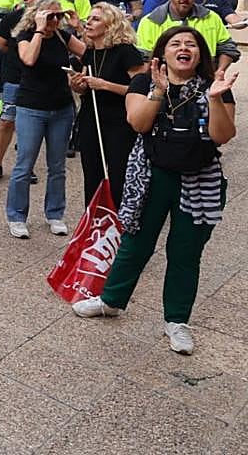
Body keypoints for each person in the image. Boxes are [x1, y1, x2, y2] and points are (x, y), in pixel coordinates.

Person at [73, 27, 237, 356]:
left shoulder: (213, 88)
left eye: (191, 44)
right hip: (151, 175)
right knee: (135, 243)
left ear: (200, 55)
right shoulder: (143, 83)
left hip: (199, 179)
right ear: (163, 53)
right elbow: (138, 123)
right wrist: (158, 92)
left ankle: (177, 321)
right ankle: (111, 300)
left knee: (185, 252)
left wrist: (216, 99)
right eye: (175, 43)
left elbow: (222, 136)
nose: (183, 48)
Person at [4, 0, 86, 239]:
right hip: (31, 107)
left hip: (61, 107)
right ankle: (17, 216)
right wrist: (40, 29)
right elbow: (28, 59)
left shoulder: (62, 36)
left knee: (57, 166)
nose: (54, 20)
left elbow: (88, 54)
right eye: (49, 16)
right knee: (24, 164)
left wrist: (77, 26)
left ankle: (55, 213)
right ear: (36, 15)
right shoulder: (26, 35)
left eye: (57, 16)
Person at [66, 3, 146, 207]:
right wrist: (78, 85)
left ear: (110, 26)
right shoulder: (90, 52)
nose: (88, 22)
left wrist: (105, 85)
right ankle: (95, 222)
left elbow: (142, 90)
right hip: (91, 118)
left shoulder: (126, 52)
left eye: (95, 19)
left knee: (119, 176)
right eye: (89, 18)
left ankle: (119, 222)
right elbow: (85, 88)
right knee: (92, 175)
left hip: (119, 121)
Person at [0, 0, 49, 183]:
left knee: (31, 124)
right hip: (14, 78)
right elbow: (2, 45)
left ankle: (26, 166)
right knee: (7, 120)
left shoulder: (53, 22)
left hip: (39, 80)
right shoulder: (12, 18)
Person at [136, 0, 240, 71]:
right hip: (164, 82)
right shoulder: (150, 21)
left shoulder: (211, 17)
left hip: (206, 80)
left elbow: (228, 48)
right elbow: (143, 58)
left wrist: (219, 72)